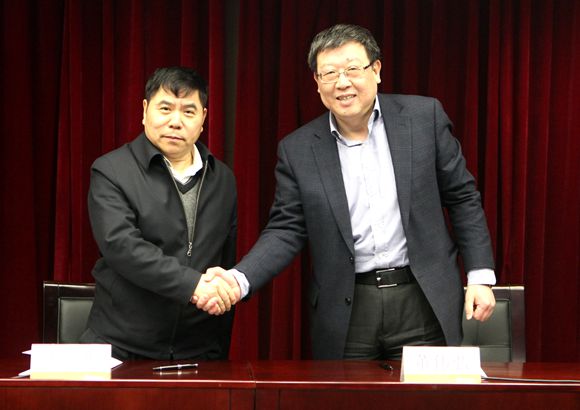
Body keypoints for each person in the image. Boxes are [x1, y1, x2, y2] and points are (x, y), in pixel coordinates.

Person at [199, 23, 496, 360]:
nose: (342, 83)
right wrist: (238, 280)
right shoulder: (298, 149)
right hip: (347, 310)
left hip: (422, 299)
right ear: (317, 82)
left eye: (353, 69)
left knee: (424, 392)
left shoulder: (423, 118)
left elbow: (462, 197)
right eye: (329, 73)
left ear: (376, 70)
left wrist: (480, 275)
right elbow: (285, 230)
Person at [81, 66, 240, 360]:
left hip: (199, 350)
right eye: (165, 108)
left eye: (189, 112)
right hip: (122, 346)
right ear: (145, 111)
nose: (175, 122)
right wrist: (192, 285)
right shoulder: (111, 170)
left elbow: (226, 258)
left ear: (203, 119)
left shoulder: (223, 179)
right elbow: (121, 246)